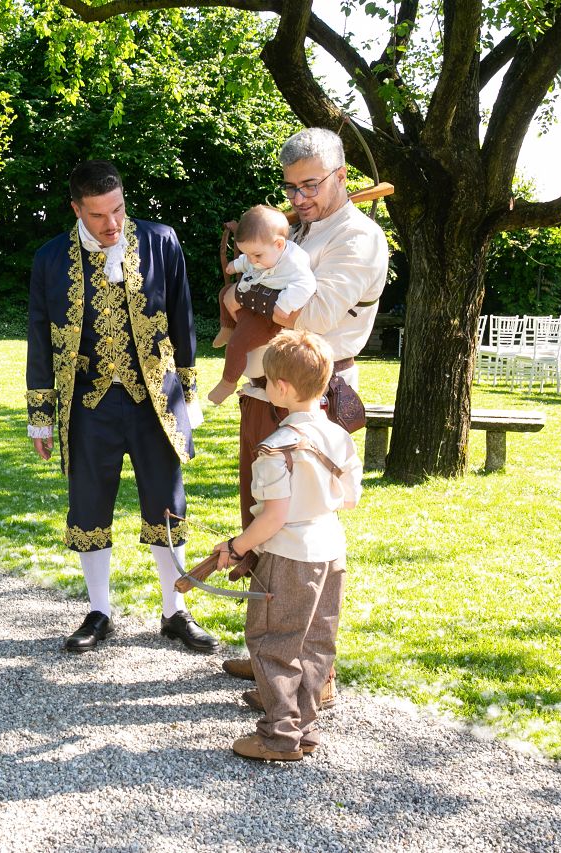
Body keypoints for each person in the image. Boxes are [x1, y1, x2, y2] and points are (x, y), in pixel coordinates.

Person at [219, 127, 389, 701]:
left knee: (301, 537)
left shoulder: (358, 238)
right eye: (291, 188)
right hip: (265, 393)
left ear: (342, 175)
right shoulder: (297, 232)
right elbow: (261, 297)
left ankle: (312, 679)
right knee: (263, 523)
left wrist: (245, 295)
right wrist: (252, 291)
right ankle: (272, 655)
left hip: (315, 398)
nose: (298, 198)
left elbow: (310, 316)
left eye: (311, 185)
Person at [26, 160, 216, 654]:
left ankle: (175, 611)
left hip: (156, 400)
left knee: (167, 504)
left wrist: (190, 395)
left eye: (118, 209)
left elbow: (183, 317)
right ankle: (99, 611)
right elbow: (39, 339)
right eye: (97, 215)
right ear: (76, 209)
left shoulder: (160, 240)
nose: (111, 223)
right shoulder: (50, 258)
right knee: (88, 505)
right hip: (88, 404)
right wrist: (41, 416)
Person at [214, 329, 362, 761]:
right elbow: (350, 499)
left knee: (273, 643)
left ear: (280, 388)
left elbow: (274, 518)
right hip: (332, 552)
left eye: (265, 382)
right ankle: (304, 729)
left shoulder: (275, 448)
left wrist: (237, 545)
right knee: (315, 643)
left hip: (290, 557)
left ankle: (279, 737)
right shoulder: (339, 436)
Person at [207, 205, 316, 404]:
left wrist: (285, 304)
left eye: (256, 256)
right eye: (247, 254)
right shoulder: (262, 253)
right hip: (253, 301)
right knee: (224, 292)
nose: (252, 260)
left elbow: (306, 284)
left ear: (279, 244)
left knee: (238, 344)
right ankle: (227, 327)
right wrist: (237, 265)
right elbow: (247, 260)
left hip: (267, 318)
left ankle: (228, 382)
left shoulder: (293, 263)